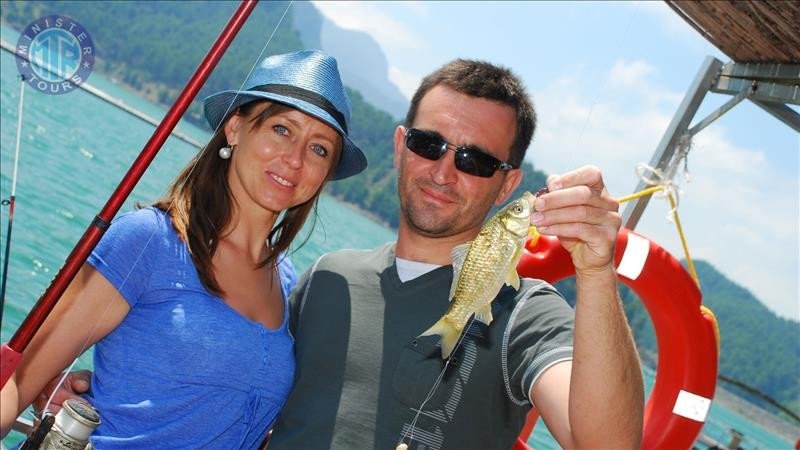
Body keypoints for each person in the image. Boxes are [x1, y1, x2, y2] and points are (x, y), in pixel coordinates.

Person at [26, 58, 644, 450]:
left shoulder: (526, 313)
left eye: (476, 159)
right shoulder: (319, 280)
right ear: (401, 147)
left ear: (508, 185)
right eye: (430, 143)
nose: (444, 170)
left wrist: (594, 270)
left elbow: (609, 443)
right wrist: (113, 388)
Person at [0, 49, 367, 449]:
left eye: (319, 149)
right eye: (282, 129)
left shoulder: (287, 281)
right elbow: (17, 384)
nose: (295, 159)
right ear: (235, 129)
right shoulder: (149, 241)